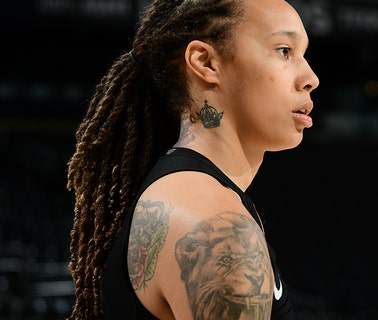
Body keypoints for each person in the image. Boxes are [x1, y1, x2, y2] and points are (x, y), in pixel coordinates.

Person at [66, 0, 319, 318]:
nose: (310, 78)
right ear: (206, 62)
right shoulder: (215, 225)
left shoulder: (192, 195)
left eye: (303, 54)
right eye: (284, 50)